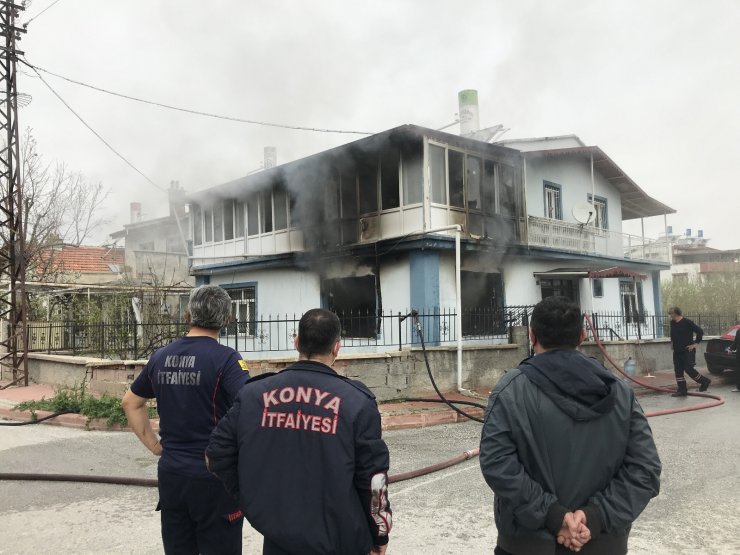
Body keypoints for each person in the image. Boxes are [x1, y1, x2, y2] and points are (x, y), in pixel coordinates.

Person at [479, 296, 661, 555]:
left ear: (531, 336)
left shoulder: (510, 390)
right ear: (583, 335)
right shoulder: (620, 392)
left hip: (526, 545)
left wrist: (554, 517)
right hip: (604, 545)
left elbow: (497, 463)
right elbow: (645, 469)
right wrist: (596, 517)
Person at [206, 308, 392, 555]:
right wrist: (380, 536)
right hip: (341, 541)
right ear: (337, 347)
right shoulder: (357, 402)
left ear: (296, 342)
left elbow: (215, 456)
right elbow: (374, 483)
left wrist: (251, 499)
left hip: (279, 539)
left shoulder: (254, 394)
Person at [122, 285, 250, 555]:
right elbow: (251, 407)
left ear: (188, 315)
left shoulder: (160, 356)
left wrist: (156, 446)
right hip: (215, 479)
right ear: (227, 320)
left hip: (172, 476)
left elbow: (131, 402)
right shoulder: (226, 359)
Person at [668, 307, 711, 397]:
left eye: (670, 313)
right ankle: (682, 390)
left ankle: (705, 381)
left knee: (689, 369)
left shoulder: (687, 322)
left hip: (687, 351)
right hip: (677, 351)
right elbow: (673, 334)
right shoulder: (672, 323)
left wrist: (695, 344)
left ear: (675, 313)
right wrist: (672, 343)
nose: (670, 315)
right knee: (678, 371)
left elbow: (700, 332)